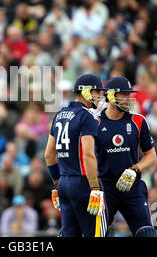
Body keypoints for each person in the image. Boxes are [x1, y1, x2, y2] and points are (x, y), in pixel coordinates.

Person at [44, 73, 106, 237]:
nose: (100, 96)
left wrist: (57, 184)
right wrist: (95, 187)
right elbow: (88, 155)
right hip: (83, 182)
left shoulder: (58, 115)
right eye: (97, 92)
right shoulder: (87, 116)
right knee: (97, 234)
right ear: (86, 92)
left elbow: (49, 155)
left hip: (64, 182)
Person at [96, 76, 157, 237]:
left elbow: (151, 155)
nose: (129, 98)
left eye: (129, 94)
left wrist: (135, 169)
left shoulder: (138, 121)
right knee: (97, 233)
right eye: (123, 94)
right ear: (110, 96)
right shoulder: (94, 123)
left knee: (147, 232)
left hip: (132, 185)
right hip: (105, 187)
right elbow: (86, 157)